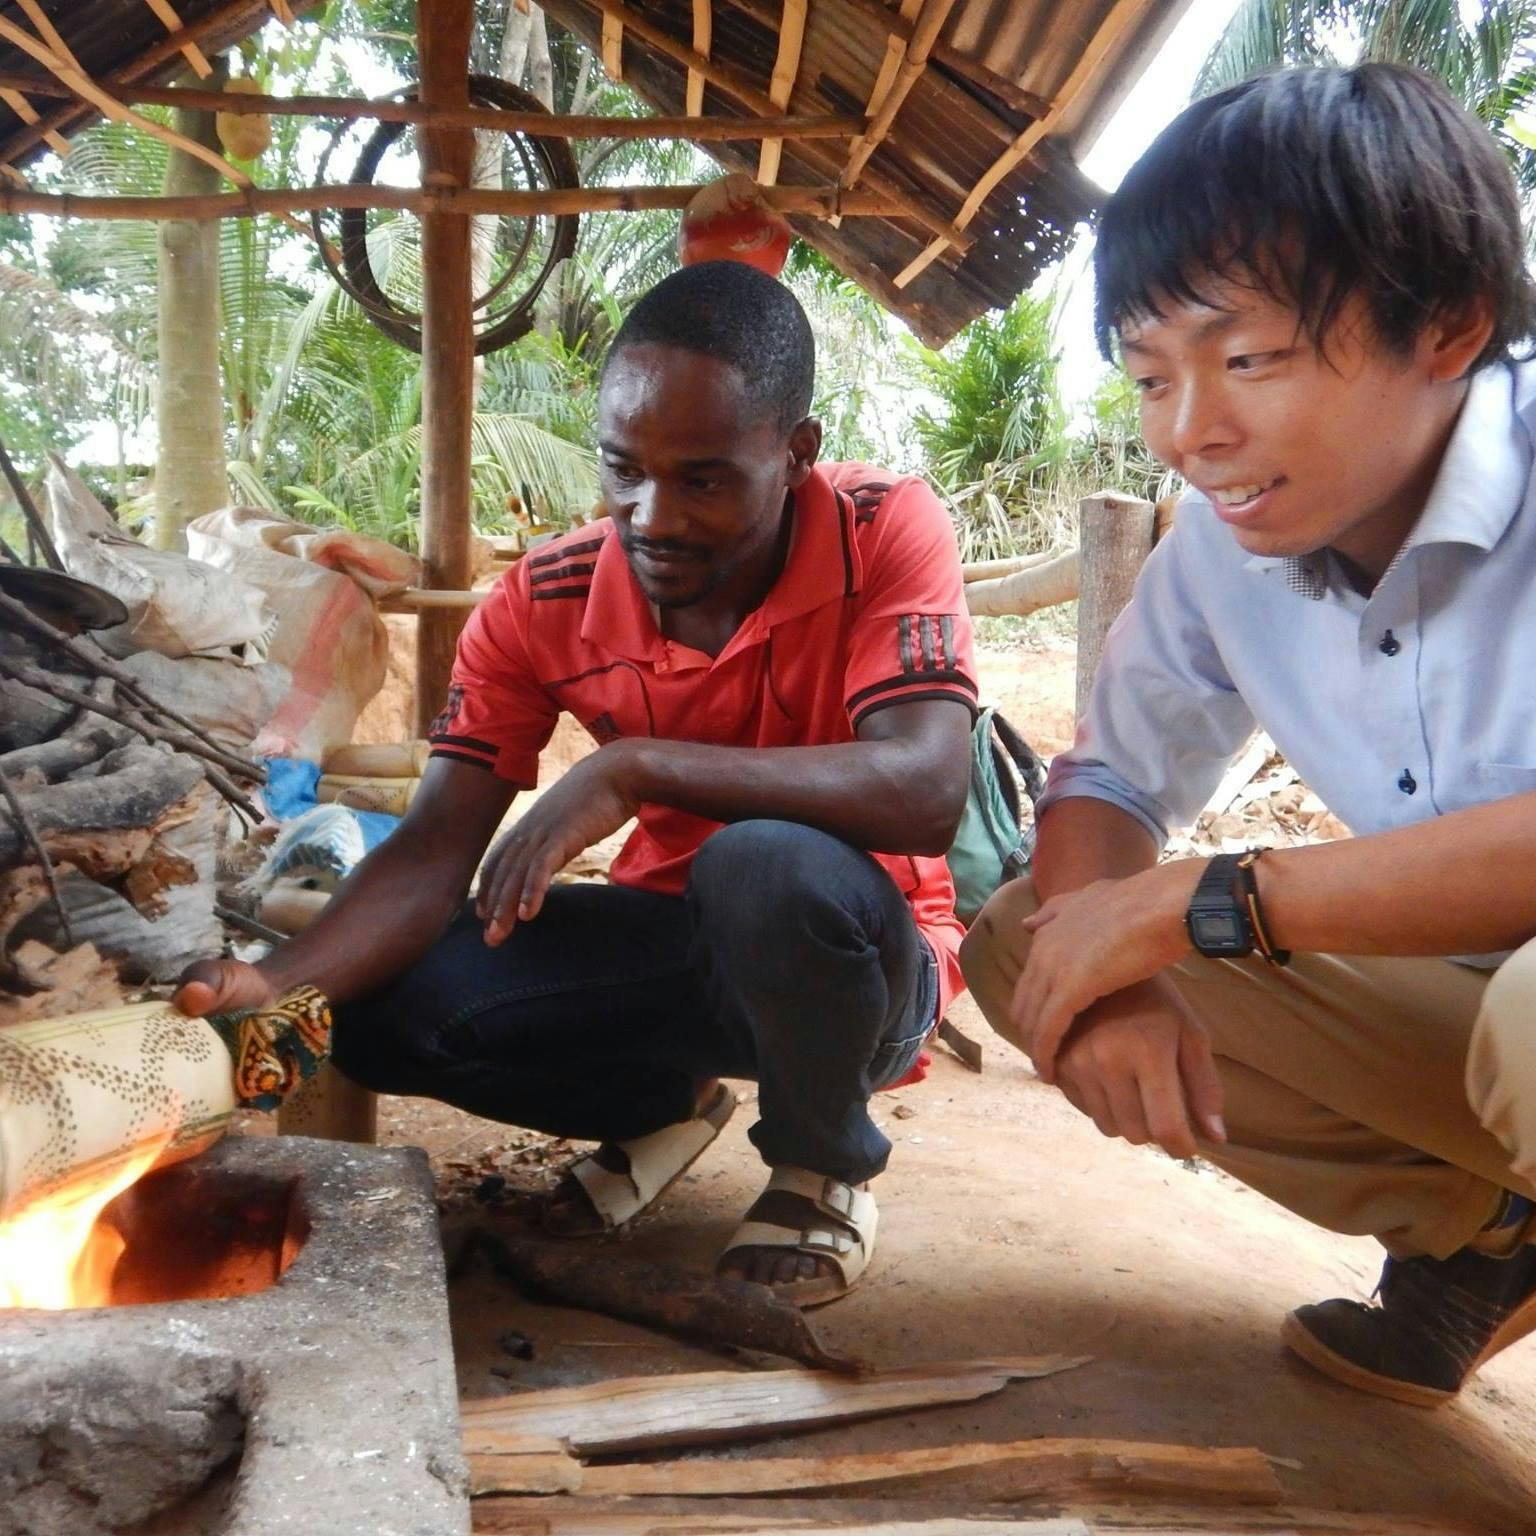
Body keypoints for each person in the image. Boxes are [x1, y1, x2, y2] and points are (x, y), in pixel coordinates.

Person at [177, 260, 978, 1307]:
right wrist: (281, 983)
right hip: (675, 943)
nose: (651, 515)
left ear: (795, 454)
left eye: (702, 479)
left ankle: (820, 1167)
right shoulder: (542, 600)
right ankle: (659, 1110)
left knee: (763, 865)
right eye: (623, 469)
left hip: (862, 966)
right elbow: (433, 850)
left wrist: (634, 764)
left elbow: (926, 788)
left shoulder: (881, 528)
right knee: (374, 1012)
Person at [961, 62, 1536, 1405]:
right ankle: (1488, 1241)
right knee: (1039, 943)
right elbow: (1108, 781)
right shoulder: (1225, 549)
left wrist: (1212, 903)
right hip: (1470, 1009)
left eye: (1247, 359)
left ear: (1447, 326)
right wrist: (1114, 972)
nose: (1189, 432)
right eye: (1151, 375)